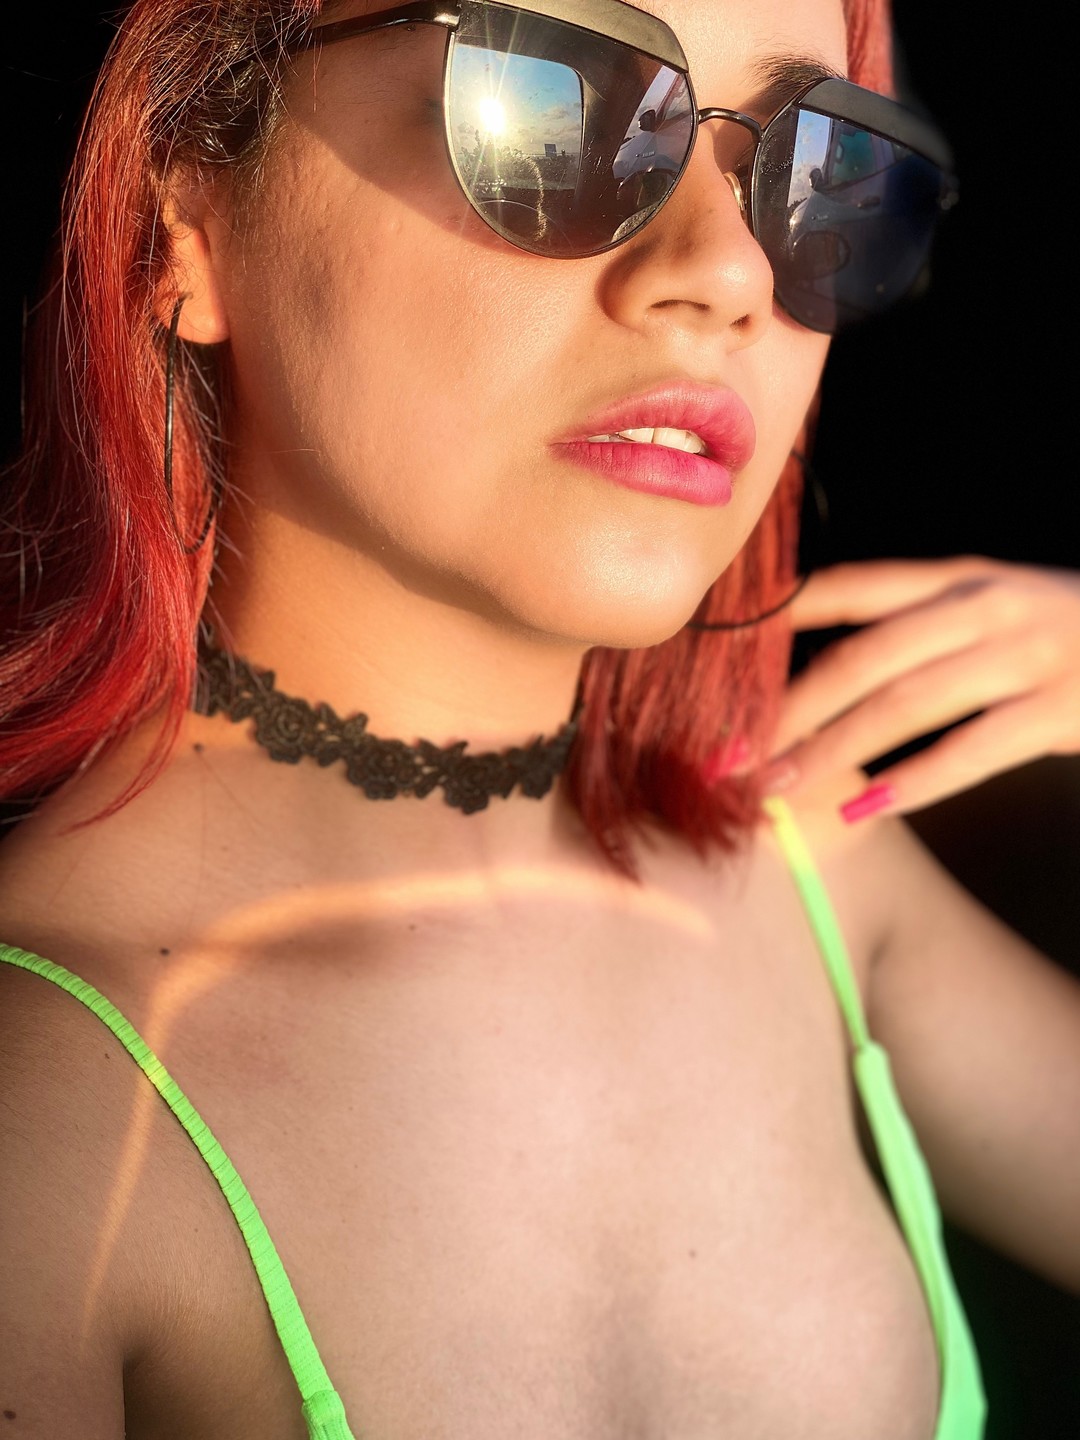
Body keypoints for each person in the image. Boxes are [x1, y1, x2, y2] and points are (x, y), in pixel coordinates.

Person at [1, 0, 1078, 1436]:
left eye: (816, 169)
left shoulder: (807, 868)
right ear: (183, 213)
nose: (728, 271)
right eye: (556, 108)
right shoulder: (44, 1117)